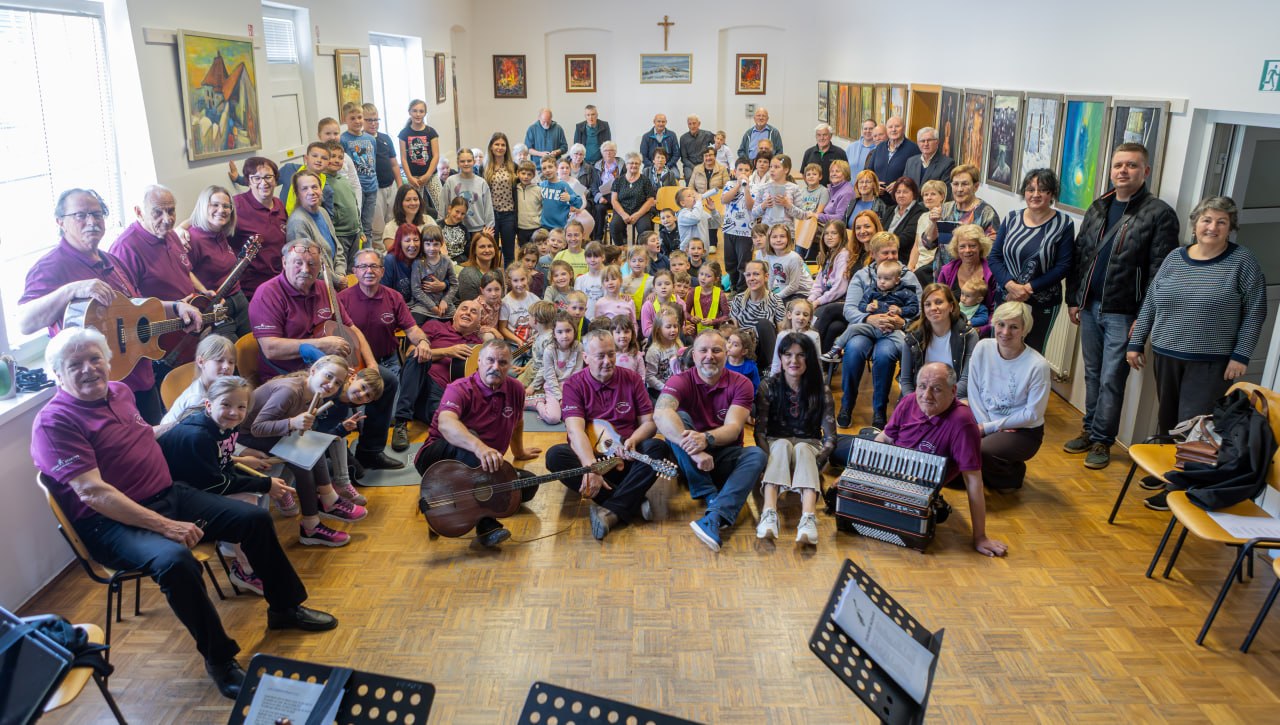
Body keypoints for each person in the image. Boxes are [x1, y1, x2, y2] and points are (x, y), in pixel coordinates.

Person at [31, 327, 337, 699]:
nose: (89, 369)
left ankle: (285, 608)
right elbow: (92, 493)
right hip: (110, 525)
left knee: (254, 519)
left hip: (167, 494)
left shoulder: (121, 392)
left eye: (95, 359)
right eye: (74, 364)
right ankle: (220, 660)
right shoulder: (55, 421)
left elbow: (147, 436)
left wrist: (203, 433)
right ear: (57, 374)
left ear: (108, 363)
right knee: (176, 562)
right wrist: (166, 526)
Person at [1127, 196, 1265, 509]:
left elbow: (1256, 311)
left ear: (1231, 228)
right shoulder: (1176, 257)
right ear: (1195, 224)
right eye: (1206, 220)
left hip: (1210, 360)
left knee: (1194, 425)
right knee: (1168, 419)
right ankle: (1168, 472)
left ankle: (1181, 487)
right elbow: (1151, 300)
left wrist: (1240, 355)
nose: (1212, 227)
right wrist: (1137, 343)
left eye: (1221, 222)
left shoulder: (1242, 262)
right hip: (1166, 351)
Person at [19, 188, 203, 424]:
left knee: (153, 451)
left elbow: (138, 307)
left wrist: (177, 307)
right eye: (81, 215)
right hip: (100, 392)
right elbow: (25, 322)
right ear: (60, 222)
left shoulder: (111, 261)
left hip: (140, 378)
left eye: (97, 214)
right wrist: (72, 290)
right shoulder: (51, 267)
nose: (92, 222)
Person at [1064, 143, 1180, 469]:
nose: (1123, 171)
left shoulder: (1159, 214)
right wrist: (1074, 298)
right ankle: (1089, 429)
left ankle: (1102, 440)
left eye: (1131, 165)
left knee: (1111, 379)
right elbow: (1080, 255)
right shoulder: (1099, 206)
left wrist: (1143, 321)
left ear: (1146, 171)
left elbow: (1161, 274)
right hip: (1089, 307)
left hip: (1123, 313)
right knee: (1091, 374)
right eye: (1118, 165)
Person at [247, 238, 402, 471]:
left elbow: (353, 329)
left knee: (386, 380)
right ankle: (333, 457)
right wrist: (320, 343)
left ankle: (370, 451)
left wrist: (370, 365)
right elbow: (270, 347)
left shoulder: (323, 289)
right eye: (298, 262)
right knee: (338, 393)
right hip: (294, 375)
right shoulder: (267, 293)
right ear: (284, 262)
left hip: (333, 366)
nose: (305, 269)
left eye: (312, 264)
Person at [833, 362, 1008, 557]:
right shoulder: (909, 401)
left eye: (936, 389)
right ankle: (847, 440)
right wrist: (853, 474)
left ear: (953, 390)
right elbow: (884, 439)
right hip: (886, 462)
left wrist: (980, 537)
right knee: (832, 446)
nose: (926, 396)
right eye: (922, 387)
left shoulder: (963, 423)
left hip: (913, 484)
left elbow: (973, 480)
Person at [413, 340, 541, 547]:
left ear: (510, 366)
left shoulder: (516, 389)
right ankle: (486, 526)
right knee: (471, 438)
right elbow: (446, 424)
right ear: (479, 361)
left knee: (527, 486)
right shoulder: (459, 388)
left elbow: (517, 422)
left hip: (482, 467)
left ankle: (444, 497)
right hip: (437, 459)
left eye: (502, 362)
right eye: (490, 360)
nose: (495, 367)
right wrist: (479, 447)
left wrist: (520, 452)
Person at [544, 330, 670, 538]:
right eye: (600, 356)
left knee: (658, 448)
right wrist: (591, 466)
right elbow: (575, 431)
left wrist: (634, 440)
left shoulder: (632, 379)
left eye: (611, 354)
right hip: (592, 460)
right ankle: (631, 501)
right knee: (555, 456)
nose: (607, 361)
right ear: (585, 358)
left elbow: (649, 424)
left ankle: (612, 509)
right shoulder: (574, 385)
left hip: (627, 457)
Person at [654, 329, 768, 551]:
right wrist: (696, 452)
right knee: (677, 420)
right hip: (691, 461)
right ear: (693, 355)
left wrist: (705, 439)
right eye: (703, 350)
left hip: (721, 454)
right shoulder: (680, 380)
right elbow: (660, 413)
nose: (710, 356)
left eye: (716, 350)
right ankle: (710, 495)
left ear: (726, 353)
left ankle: (715, 515)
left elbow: (734, 429)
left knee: (757, 455)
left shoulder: (741, 383)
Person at [754, 333, 835, 545]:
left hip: (809, 447)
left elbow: (831, 438)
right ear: (780, 357)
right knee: (781, 445)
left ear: (810, 358)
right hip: (775, 445)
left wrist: (819, 460)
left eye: (801, 355)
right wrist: (764, 458)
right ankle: (769, 513)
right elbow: (760, 432)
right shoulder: (768, 386)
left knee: (802, 450)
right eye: (788, 355)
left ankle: (808, 518)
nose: (794, 361)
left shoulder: (821, 390)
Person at [963, 300, 1052, 491]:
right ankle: (981, 473)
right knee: (952, 436)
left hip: (1022, 430)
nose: (1005, 332)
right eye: (1001, 324)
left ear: (1024, 330)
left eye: (1014, 327)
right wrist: (986, 427)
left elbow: (1032, 414)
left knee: (980, 449)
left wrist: (989, 428)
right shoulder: (982, 347)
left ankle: (1010, 476)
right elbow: (974, 391)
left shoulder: (1038, 365)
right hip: (985, 421)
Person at [837, 231, 922, 429]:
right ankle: (846, 405)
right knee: (854, 350)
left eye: (894, 252)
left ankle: (879, 411)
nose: (891, 256)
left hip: (892, 331)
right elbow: (849, 309)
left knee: (884, 356)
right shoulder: (862, 275)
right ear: (873, 254)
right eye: (885, 253)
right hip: (865, 328)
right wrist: (869, 318)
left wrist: (903, 321)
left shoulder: (907, 276)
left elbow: (919, 309)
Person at [988, 169, 1075, 352]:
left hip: (1042, 302)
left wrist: (1027, 288)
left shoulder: (1064, 224)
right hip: (1006, 296)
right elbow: (994, 257)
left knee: (1032, 352)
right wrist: (1011, 285)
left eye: (1042, 190)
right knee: (1000, 348)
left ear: (1051, 194)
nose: (1035, 194)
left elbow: (1063, 266)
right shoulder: (1012, 219)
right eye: (1030, 189)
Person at [395, 299, 484, 431]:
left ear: (479, 323)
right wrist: (447, 352)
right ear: (454, 314)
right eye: (464, 308)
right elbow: (410, 354)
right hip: (420, 379)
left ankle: (420, 410)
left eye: (474, 312)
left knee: (444, 422)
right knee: (418, 357)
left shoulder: (478, 345)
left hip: (444, 392)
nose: (468, 313)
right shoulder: (434, 326)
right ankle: (401, 422)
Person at [109, 185, 197, 306]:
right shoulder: (125, 248)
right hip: (165, 321)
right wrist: (174, 307)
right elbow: (127, 303)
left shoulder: (170, 233)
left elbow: (186, 272)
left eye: (171, 211)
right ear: (139, 212)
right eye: (157, 213)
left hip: (193, 311)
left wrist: (203, 292)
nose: (167, 219)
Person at [185, 185, 251, 338]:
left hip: (238, 298)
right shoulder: (192, 238)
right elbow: (184, 271)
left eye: (226, 206)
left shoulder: (220, 231)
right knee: (230, 352)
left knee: (252, 345)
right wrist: (203, 291)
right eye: (215, 205)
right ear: (203, 206)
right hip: (217, 304)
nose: (221, 210)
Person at [898, 283, 978, 400]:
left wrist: (940, 401)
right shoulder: (912, 338)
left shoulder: (969, 335)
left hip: (956, 398)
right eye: (928, 304)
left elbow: (966, 380)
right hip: (920, 399)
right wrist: (917, 402)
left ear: (951, 306)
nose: (933, 308)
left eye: (939, 302)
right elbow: (906, 381)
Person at [229, 157, 291, 297]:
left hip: (280, 282)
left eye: (268, 177)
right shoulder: (236, 205)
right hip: (251, 289)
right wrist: (182, 230)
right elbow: (206, 220)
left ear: (275, 180)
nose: (263, 183)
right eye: (256, 178)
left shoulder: (279, 204)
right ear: (248, 181)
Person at [920, 164, 999, 270]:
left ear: (975, 187)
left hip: (972, 276)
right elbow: (928, 244)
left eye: (965, 184)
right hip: (943, 273)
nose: (959, 189)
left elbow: (992, 251)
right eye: (956, 184)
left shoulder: (986, 213)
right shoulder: (944, 209)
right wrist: (933, 223)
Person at [935, 224, 996, 336]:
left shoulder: (992, 273)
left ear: (981, 247)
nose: (967, 250)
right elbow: (938, 300)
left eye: (972, 246)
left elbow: (994, 311)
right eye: (962, 246)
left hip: (979, 331)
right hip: (949, 328)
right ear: (956, 249)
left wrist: (980, 330)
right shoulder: (947, 270)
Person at [285, 171, 346, 281]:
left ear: (321, 189)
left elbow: (338, 248)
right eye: (305, 189)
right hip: (316, 286)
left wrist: (340, 273)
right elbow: (308, 266)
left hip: (335, 281)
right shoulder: (298, 222)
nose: (311, 192)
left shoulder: (323, 212)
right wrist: (337, 280)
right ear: (297, 193)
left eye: (314, 187)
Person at [729, 259, 786, 372]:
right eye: (748, 275)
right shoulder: (738, 299)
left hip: (765, 352)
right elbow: (733, 331)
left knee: (763, 323)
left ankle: (774, 371)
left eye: (756, 274)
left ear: (766, 277)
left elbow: (782, 333)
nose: (752, 278)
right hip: (743, 350)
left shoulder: (775, 300)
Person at [809, 221, 855, 350]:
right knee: (834, 327)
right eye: (826, 234)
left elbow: (839, 288)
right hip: (828, 300)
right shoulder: (828, 256)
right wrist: (810, 300)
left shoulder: (843, 255)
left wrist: (818, 302)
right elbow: (818, 285)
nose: (829, 237)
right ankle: (823, 362)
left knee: (816, 316)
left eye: (834, 233)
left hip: (840, 301)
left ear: (841, 236)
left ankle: (811, 354)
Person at [361, 103, 402, 234]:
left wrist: (400, 184)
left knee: (393, 221)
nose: (373, 123)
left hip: (391, 186)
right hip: (374, 189)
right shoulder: (361, 141)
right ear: (361, 120)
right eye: (369, 120)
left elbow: (394, 164)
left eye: (376, 120)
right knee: (378, 226)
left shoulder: (385, 138)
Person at [399, 99, 443, 214]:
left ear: (425, 113)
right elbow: (403, 158)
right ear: (409, 112)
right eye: (414, 111)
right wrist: (409, 177)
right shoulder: (404, 133)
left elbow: (436, 156)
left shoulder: (431, 132)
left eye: (421, 111)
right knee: (415, 207)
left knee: (441, 203)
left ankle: (442, 228)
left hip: (430, 176)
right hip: (414, 178)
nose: (418, 114)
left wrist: (427, 175)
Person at [720, 158, 756, 292]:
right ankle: (733, 287)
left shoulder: (755, 187)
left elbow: (751, 206)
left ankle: (742, 290)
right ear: (735, 171)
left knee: (743, 263)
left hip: (746, 231)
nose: (743, 172)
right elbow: (724, 199)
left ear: (751, 172)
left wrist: (745, 188)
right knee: (730, 262)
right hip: (730, 229)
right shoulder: (730, 184)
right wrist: (737, 185)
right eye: (740, 169)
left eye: (747, 170)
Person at [443, 148, 496, 239]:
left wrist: (489, 228)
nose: (466, 164)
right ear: (458, 163)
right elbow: (444, 204)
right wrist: (442, 225)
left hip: (478, 229)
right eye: (462, 161)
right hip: (455, 227)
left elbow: (488, 208)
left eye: (469, 161)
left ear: (474, 161)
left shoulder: (481, 183)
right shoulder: (450, 181)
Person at [863, 116, 920, 201]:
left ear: (904, 129)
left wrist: (899, 184)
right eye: (890, 127)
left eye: (897, 126)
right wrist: (874, 184)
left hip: (900, 201)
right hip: (877, 199)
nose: (893, 130)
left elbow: (915, 176)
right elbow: (868, 172)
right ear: (887, 130)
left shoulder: (914, 149)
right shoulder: (880, 147)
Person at [485, 132, 519, 262]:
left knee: (509, 253)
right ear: (491, 147)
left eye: (503, 145)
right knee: (491, 252)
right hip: (491, 215)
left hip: (508, 215)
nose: (500, 147)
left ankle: (509, 281)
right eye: (496, 144)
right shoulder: (485, 167)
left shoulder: (513, 166)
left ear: (507, 148)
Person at [610, 152, 657, 245]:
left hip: (641, 211)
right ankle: (621, 248)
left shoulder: (645, 180)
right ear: (626, 165)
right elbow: (614, 200)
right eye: (631, 163)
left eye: (637, 163)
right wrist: (623, 214)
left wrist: (638, 214)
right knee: (614, 225)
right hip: (622, 210)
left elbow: (650, 200)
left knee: (645, 228)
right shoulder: (618, 180)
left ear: (640, 165)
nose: (634, 165)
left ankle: (639, 250)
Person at [909, 179, 948, 288]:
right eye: (926, 194)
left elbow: (939, 250)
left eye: (933, 194)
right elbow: (916, 246)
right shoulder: (922, 217)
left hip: (931, 268)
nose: (928, 197)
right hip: (918, 265)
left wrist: (918, 270)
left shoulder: (946, 217)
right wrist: (910, 266)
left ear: (942, 196)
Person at [903, 127, 955, 198]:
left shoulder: (947, 163)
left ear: (937, 142)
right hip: (912, 206)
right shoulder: (911, 161)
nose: (926, 144)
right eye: (922, 141)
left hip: (932, 207)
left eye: (929, 140)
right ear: (918, 143)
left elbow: (945, 192)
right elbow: (905, 186)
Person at [882, 177, 926, 260]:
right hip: (883, 253)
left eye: (905, 192)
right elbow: (880, 230)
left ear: (913, 193)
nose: (901, 195)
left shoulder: (919, 212)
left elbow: (906, 238)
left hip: (902, 256)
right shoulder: (890, 210)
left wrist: (882, 244)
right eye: (898, 192)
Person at [593, 141, 622, 239]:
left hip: (618, 197)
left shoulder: (622, 166)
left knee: (619, 210)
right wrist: (599, 197)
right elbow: (593, 186)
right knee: (599, 209)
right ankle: (598, 238)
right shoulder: (597, 166)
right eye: (606, 151)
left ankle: (621, 238)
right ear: (602, 153)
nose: (608, 153)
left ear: (615, 152)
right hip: (604, 197)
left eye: (611, 150)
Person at [679, 114, 717, 182]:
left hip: (705, 163)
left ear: (699, 124)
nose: (692, 126)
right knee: (690, 176)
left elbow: (720, 144)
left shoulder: (707, 134)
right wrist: (694, 167)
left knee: (710, 176)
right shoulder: (683, 138)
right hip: (690, 166)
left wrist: (714, 156)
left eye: (694, 123)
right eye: (689, 124)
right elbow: (684, 158)